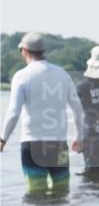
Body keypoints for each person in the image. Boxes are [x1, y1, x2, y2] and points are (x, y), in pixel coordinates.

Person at [1, 32, 84, 194]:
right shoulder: (62, 74)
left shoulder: (21, 76)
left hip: (32, 144)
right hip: (58, 144)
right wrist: (79, 137)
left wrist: (3, 138)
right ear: (42, 51)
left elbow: (13, 112)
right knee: (62, 192)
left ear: (24, 50)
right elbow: (78, 109)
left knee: (35, 193)